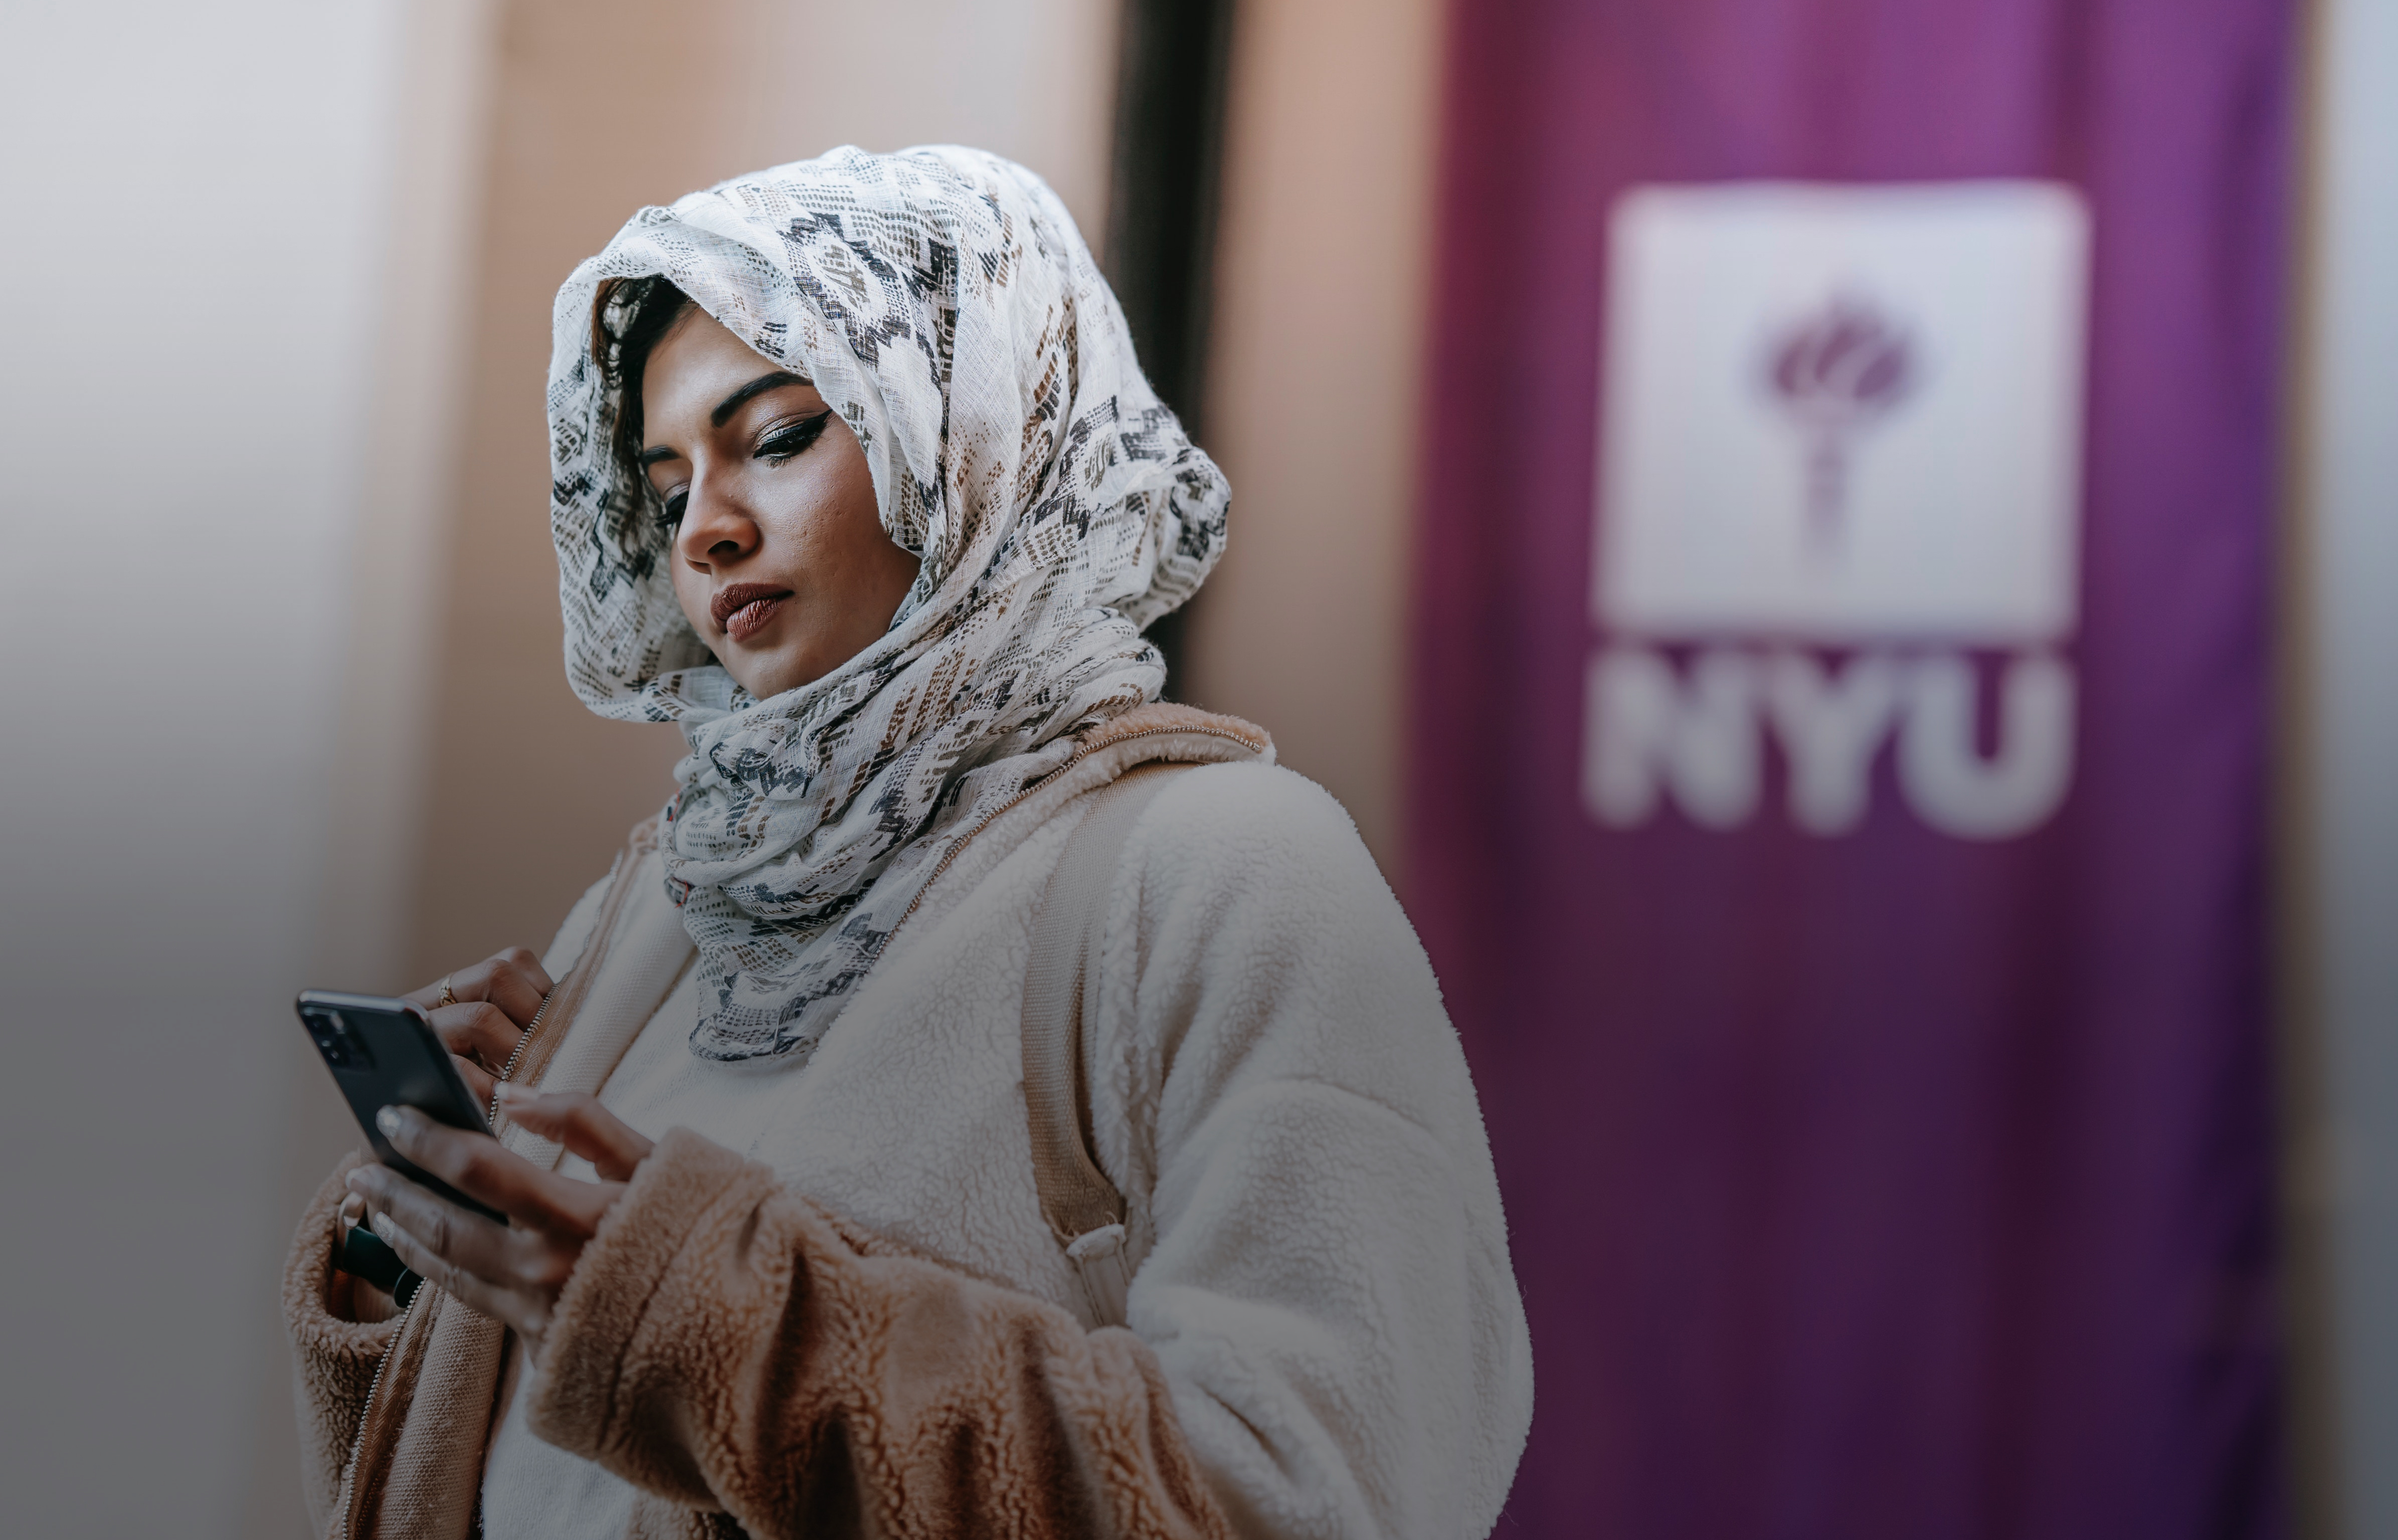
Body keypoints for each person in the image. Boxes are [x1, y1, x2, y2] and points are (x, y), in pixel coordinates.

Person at [283, 144, 1531, 1540]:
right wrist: (428, 1247)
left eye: (775, 437)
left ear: (975, 434)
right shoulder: (676, 894)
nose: (705, 530)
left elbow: (1320, 1495)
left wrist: (706, 1321)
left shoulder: (1228, 870)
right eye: (666, 477)